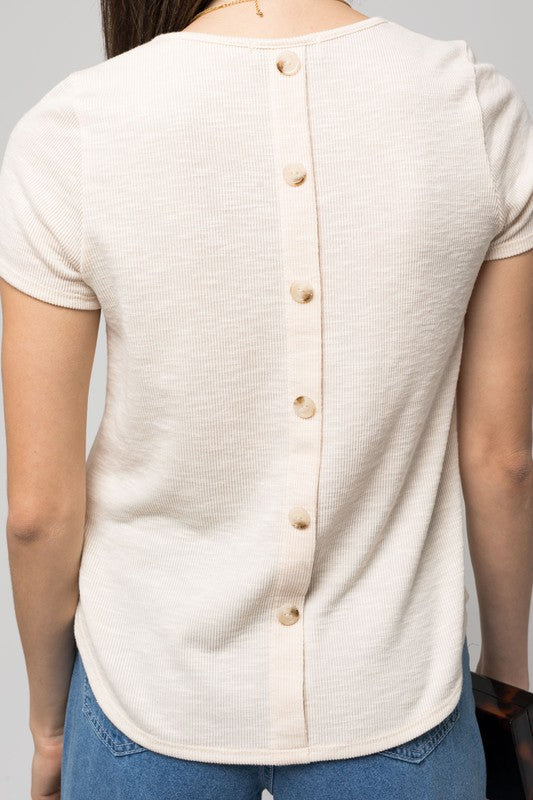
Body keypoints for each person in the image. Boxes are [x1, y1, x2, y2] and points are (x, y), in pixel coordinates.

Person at [1, 0, 532, 797]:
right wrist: (505, 680)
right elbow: (502, 459)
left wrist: (49, 725)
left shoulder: (74, 128)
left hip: (145, 701)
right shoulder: (472, 105)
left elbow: (38, 510)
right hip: (401, 702)